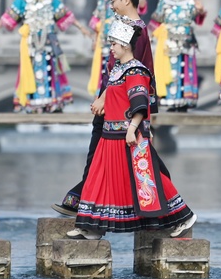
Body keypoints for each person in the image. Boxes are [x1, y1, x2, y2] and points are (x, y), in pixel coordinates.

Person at [68, 18, 196, 240]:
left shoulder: (136, 70)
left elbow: (140, 103)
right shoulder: (118, 70)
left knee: (149, 180)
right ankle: (93, 226)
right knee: (100, 178)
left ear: (125, 45)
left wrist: (132, 129)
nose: (111, 48)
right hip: (109, 134)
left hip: (128, 136)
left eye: (114, 45)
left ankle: (183, 216)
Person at [56, 0, 154, 217]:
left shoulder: (136, 32)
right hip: (114, 101)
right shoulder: (126, 26)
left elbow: (129, 71)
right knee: (104, 157)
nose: (111, 5)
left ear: (126, 0)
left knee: (141, 162)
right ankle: (82, 202)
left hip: (122, 108)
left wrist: (103, 98)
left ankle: (82, 202)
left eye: (113, 1)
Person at [87, 0, 147, 98]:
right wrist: (94, 38)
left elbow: (141, 7)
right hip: (106, 42)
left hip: (123, 42)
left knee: (120, 72)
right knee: (105, 72)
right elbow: (96, 21)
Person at [151, 0, 205, 111]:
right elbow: (156, 21)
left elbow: (199, 20)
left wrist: (200, 10)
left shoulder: (192, 1)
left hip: (186, 43)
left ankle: (184, 101)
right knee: (170, 72)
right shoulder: (165, 1)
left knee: (184, 72)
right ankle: (170, 101)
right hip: (169, 43)